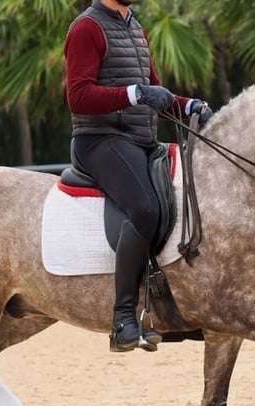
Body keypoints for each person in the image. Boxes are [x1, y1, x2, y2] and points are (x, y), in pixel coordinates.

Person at [64, 0, 212, 353]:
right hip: (99, 141)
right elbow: (78, 96)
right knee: (144, 208)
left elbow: (155, 93)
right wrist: (137, 93)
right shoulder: (87, 28)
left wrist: (187, 105)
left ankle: (166, 310)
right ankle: (123, 319)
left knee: (175, 199)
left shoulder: (135, 27)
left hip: (141, 140)